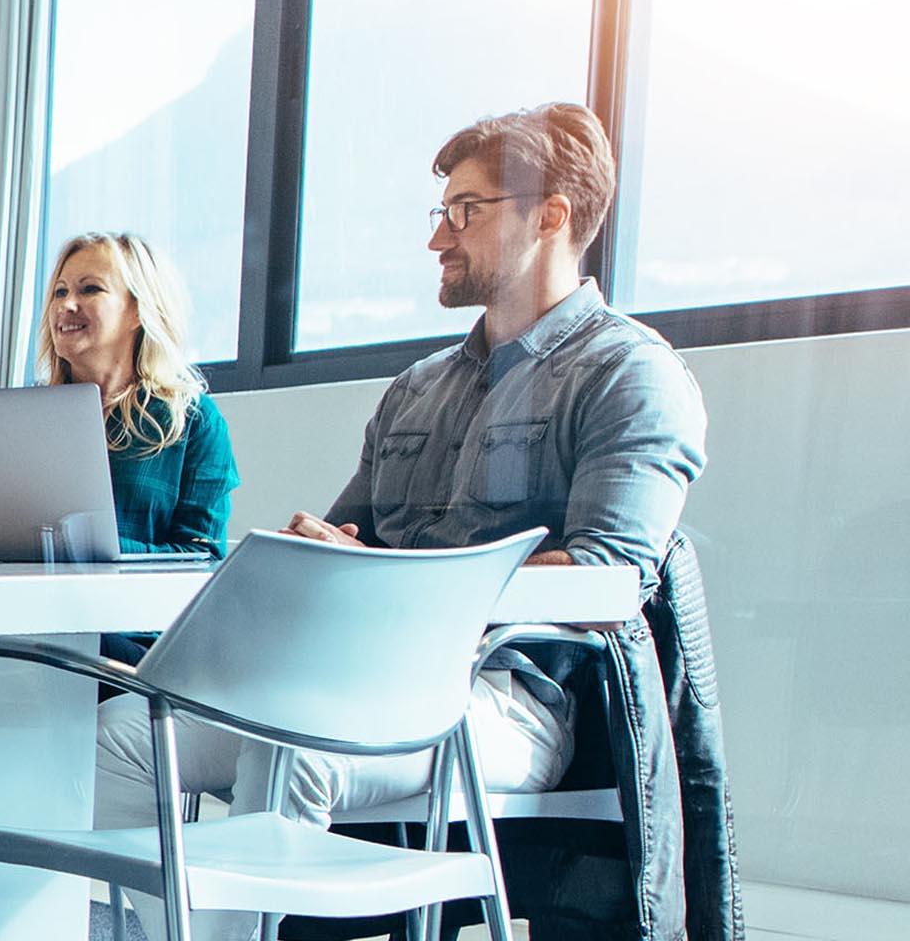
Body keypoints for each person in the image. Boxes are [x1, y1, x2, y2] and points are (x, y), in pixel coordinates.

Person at [93, 102, 703, 939]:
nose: (437, 239)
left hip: (507, 695)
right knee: (124, 735)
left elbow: (612, 581)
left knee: (294, 738)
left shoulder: (630, 373)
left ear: (552, 215)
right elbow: (353, 543)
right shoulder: (418, 386)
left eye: (466, 212)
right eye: (440, 212)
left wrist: (394, 583)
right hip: (352, 678)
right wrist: (321, 550)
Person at [39, 232, 236, 667]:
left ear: (137, 310)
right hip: (33, 619)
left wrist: (84, 548)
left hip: (134, 641)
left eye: (89, 289)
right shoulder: (28, 415)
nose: (65, 305)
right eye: (59, 291)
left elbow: (200, 559)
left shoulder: (194, 420)